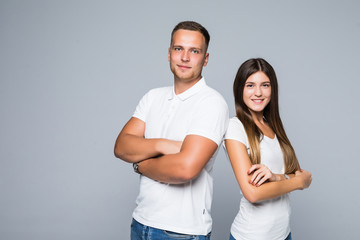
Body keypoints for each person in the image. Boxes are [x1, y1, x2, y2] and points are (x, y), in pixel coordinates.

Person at [114, 21, 229, 240]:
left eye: (194, 51)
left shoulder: (211, 103)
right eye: (179, 49)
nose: (185, 57)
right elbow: (121, 147)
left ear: (205, 59)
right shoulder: (152, 97)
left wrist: (140, 164)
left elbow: (185, 169)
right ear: (169, 53)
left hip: (181, 232)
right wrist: (164, 144)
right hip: (140, 223)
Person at [224, 58, 312, 240]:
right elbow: (253, 193)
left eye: (265, 85)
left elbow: (299, 173)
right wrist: (298, 182)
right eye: (250, 85)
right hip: (252, 235)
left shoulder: (272, 125)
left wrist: (276, 177)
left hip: (283, 233)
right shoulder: (235, 126)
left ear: (273, 89)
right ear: (240, 89)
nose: (258, 92)